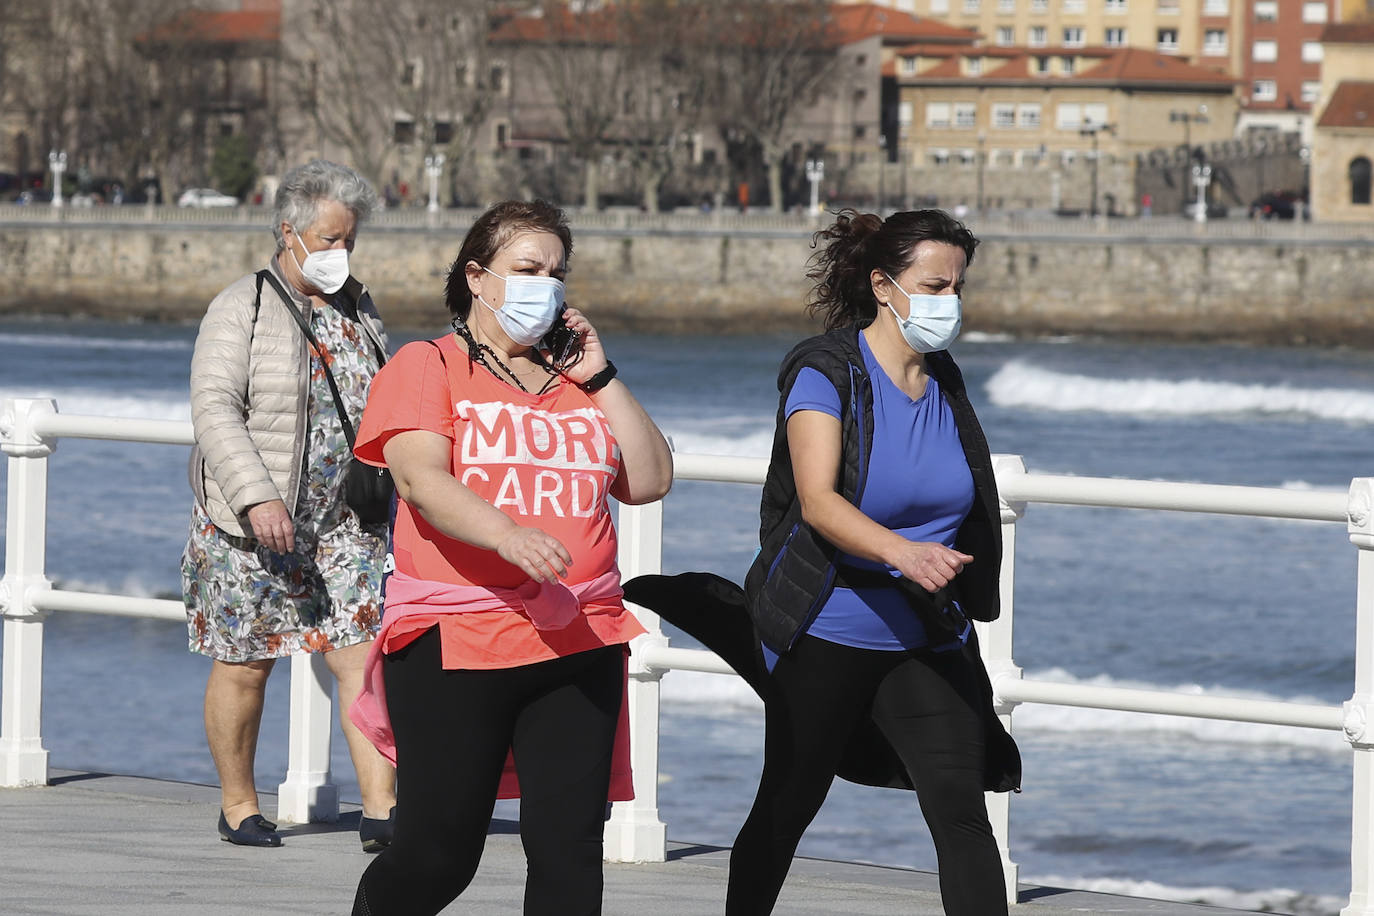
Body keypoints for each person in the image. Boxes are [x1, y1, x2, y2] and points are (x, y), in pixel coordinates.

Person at [624, 208, 1020, 916]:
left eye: (958, 288)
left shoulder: (945, 383)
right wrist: (903, 551)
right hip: (829, 631)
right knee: (788, 804)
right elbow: (817, 502)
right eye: (933, 286)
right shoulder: (824, 371)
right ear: (882, 284)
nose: (949, 304)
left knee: (962, 812)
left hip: (926, 635)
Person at [348, 199, 674, 916]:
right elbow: (418, 478)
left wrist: (601, 374)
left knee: (569, 850)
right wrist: (507, 536)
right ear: (478, 276)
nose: (547, 286)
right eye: (528, 269)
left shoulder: (578, 387)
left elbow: (649, 480)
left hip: (579, 637)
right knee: (441, 851)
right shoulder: (426, 364)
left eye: (557, 273)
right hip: (459, 641)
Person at [181, 159, 397, 850]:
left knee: (362, 657)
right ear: (289, 231)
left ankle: (382, 810)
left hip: (345, 527)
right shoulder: (239, 306)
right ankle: (240, 804)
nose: (341, 253)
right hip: (252, 530)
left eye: (349, 241)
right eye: (330, 239)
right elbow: (214, 409)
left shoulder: (359, 309)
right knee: (246, 663)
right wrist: (255, 499)